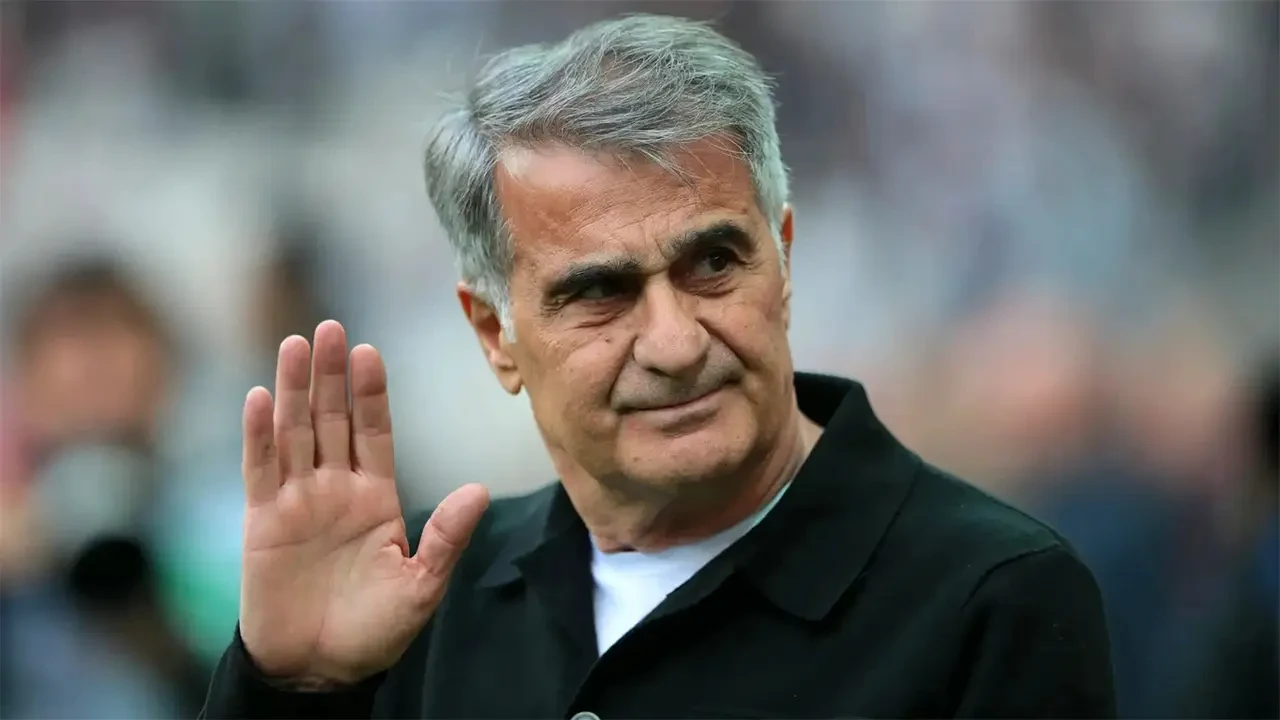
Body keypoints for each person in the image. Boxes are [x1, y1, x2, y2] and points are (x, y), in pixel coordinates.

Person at [201, 15, 1115, 719]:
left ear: (784, 262)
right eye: (600, 292)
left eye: (713, 264)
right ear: (495, 335)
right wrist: (294, 693)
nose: (675, 344)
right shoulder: (420, 604)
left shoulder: (991, 598)